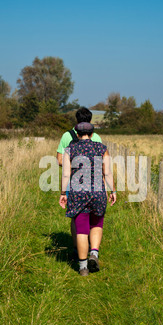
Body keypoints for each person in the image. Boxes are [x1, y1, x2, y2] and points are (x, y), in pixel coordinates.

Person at [59, 122, 116, 276]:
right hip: (98, 191)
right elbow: (108, 172)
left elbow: (65, 174)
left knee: (82, 230)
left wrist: (63, 193)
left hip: (77, 193)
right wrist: (113, 190)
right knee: (97, 223)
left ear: (77, 134)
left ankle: (83, 267)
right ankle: (94, 254)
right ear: (92, 134)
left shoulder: (70, 149)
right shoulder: (101, 148)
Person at [56, 107, 103, 256]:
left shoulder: (66, 136)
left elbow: (59, 160)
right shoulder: (96, 138)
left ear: (76, 120)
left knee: (76, 216)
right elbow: (101, 163)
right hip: (95, 183)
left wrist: (76, 165)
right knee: (94, 216)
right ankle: (91, 248)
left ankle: (77, 249)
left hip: (73, 181)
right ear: (90, 120)